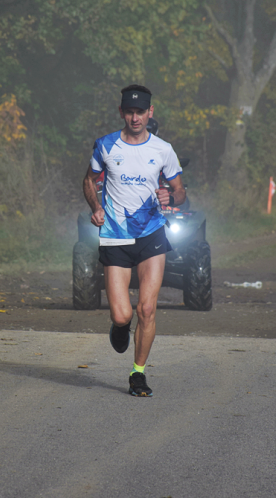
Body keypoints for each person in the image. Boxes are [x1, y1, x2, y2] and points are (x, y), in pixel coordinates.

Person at [82, 84, 186, 397]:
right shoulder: (106, 145)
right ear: (121, 112)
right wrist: (96, 206)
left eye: (141, 111)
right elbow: (89, 180)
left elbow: (181, 190)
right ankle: (118, 325)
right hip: (115, 236)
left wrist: (171, 195)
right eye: (130, 111)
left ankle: (137, 373)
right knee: (122, 314)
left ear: (150, 112)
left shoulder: (163, 150)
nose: (135, 117)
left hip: (151, 234)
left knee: (147, 309)